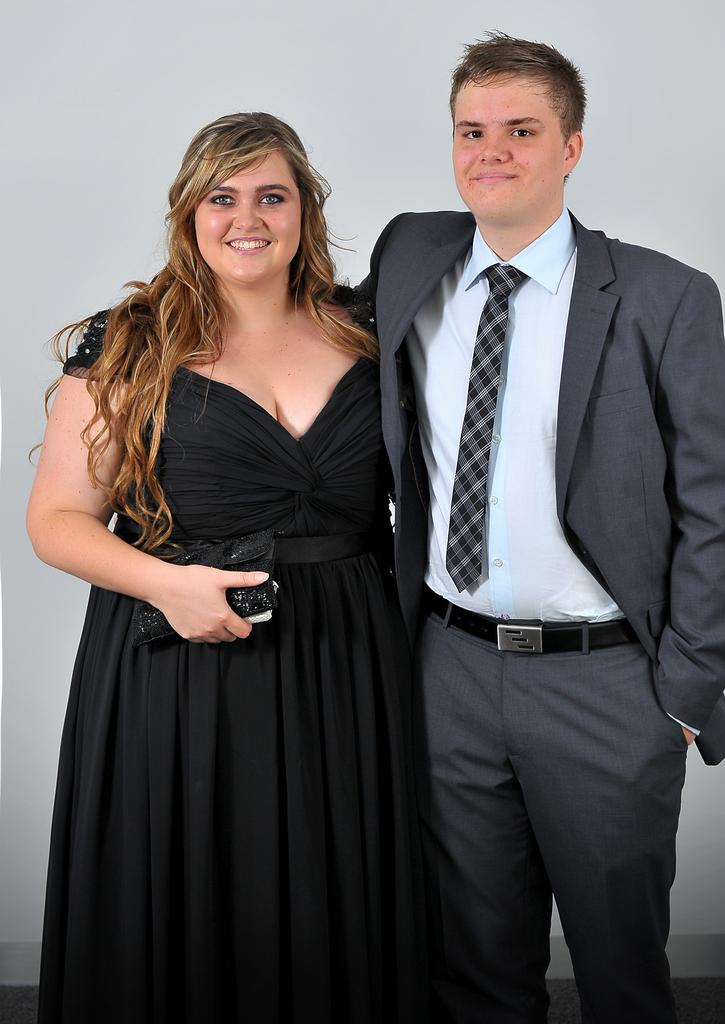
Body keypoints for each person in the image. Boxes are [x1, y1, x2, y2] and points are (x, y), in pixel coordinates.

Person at [362, 33, 725, 1024]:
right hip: (448, 671)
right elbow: (289, 323)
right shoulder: (411, 256)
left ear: (571, 146)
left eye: (521, 131)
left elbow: (720, 508)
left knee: (622, 978)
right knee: (476, 973)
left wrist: (683, 688)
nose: (490, 152)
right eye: (472, 131)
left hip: (609, 684)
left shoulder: (664, 296)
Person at [28, 112, 427, 1024]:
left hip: (350, 663)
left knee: (339, 890)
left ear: (304, 213)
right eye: (223, 197)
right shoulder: (129, 342)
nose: (247, 217)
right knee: (191, 892)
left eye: (271, 195)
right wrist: (166, 585)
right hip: (183, 666)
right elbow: (55, 520)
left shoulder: (367, 333)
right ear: (190, 213)